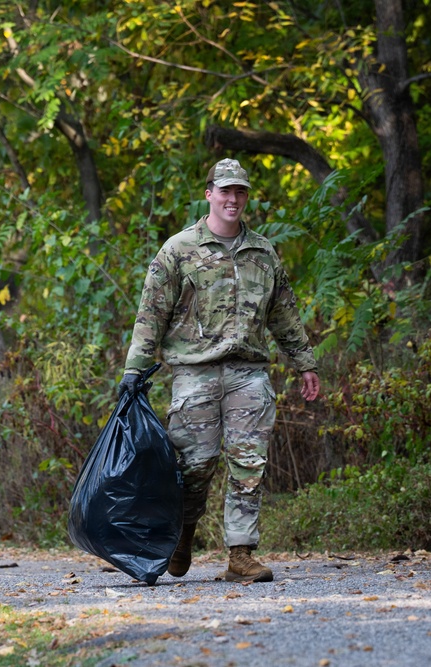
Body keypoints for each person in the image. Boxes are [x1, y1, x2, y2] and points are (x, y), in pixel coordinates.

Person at [119, 158, 320, 583]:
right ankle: (183, 533)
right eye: (225, 191)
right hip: (195, 373)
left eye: (240, 192)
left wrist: (305, 363)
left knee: (249, 463)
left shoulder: (263, 252)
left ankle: (241, 555)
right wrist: (134, 371)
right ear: (209, 193)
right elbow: (150, 315)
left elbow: (283, 314)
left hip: (248, 373)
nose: (233, 199)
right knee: (195, 466)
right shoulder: (178, 250)